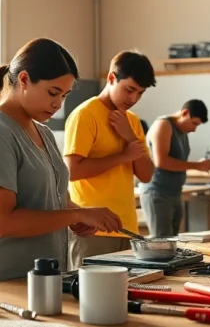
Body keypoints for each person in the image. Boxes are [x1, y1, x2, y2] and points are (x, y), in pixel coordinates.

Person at [0, 38, 121, 287]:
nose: (58, 104)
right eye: (53, 93)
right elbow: (4, 222)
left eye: (64, 95)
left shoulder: (42, 132)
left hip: (40, 276)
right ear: (24, 80)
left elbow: (52, 196)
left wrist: (78, 215)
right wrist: (75, 214)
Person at [64, 51, 157, 268]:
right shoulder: (85, 114)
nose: (133, 99)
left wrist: (129, 138)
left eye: (140, 93)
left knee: (125, 297)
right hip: (92, 228)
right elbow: (72, 171)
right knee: (88, 298)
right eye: (130, 89)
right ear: (111, 78)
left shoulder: (132, 122)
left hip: (127, 228)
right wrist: (123, 156)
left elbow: (146, 175)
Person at [140, 99, 210, 237]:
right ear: (184, 113)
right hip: (158, 192)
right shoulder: (163, 125)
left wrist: (198, 164)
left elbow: (178, 161)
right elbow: (161, 162)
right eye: (194, 123)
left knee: (173, 241)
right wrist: (197, 166)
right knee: (161, 242)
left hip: (174, 192)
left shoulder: (182, 131)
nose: (194, 129)